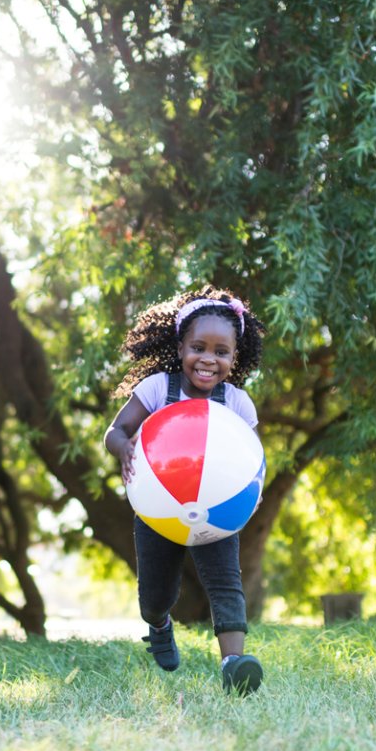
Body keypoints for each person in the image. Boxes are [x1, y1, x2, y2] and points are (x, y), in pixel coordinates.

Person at [103, 286, 267, 694]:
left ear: (235, 356)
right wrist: (124, 447)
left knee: (226, 582)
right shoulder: (159, 389)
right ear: (180, 348)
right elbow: (116, 430)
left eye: (222, 351)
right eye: (199, 347)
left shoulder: (238, 403)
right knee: (156, 594)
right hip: (158, 508)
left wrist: (254, 488)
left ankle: (234, 663)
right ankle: (158, 624)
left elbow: (251, 458)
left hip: (217, 509)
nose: (209, 359)